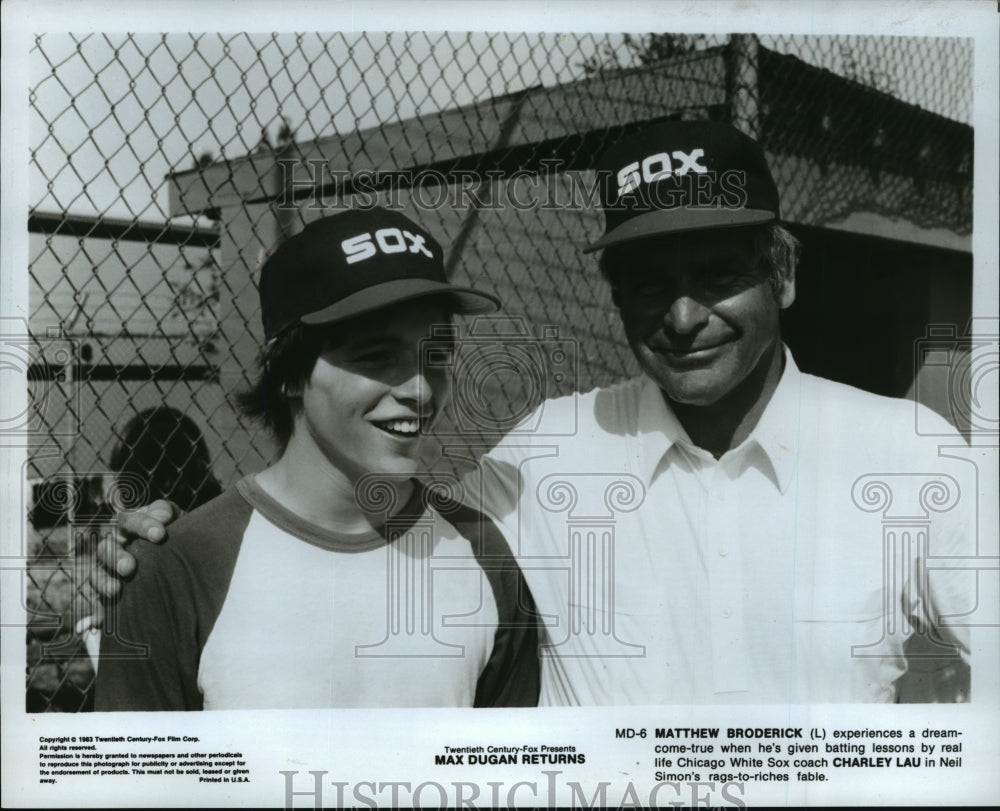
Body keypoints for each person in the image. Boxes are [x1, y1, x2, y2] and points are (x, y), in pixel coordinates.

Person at [96, 121, 972, 704]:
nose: (682, 315)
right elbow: (368, 536)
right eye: (649, 283)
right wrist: (157, 551)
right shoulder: (550, 450)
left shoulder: (908, 453)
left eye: (717, 273)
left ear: (781, 270)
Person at [94, 207, 540, 710]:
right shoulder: (174, 568)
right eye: (376, 357)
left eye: (436, 357)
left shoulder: (484, 554)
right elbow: (139, 786)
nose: (419, 389)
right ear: (289, 373)